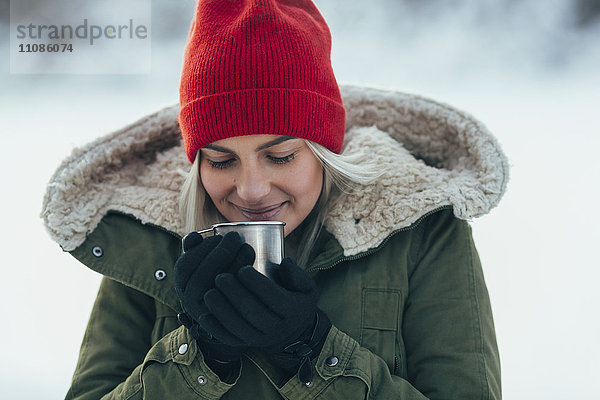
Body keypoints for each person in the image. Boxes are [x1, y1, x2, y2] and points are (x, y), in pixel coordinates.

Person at [42, 1, 508, 399]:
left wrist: (311, 350)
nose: (251, 190)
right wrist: (196, 357)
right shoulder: (151, 235)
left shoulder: (421, 231)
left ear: (324, 152)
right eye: (222, 161)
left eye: (280, 156)